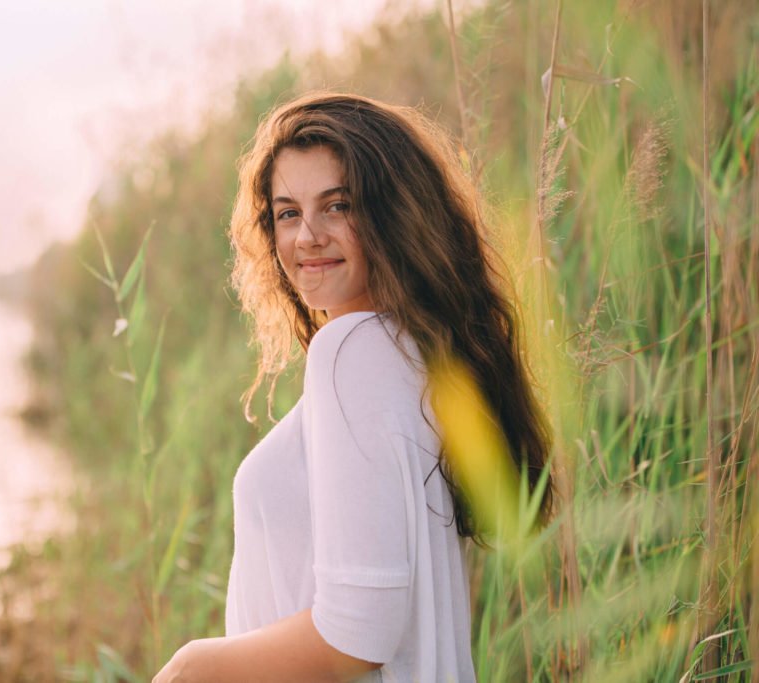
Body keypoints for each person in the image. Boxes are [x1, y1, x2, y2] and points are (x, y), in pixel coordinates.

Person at [153, 92, 553, 682]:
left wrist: (193, 667)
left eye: (336, 206)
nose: (307, 236)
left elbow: (359, 634)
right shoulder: (413, 354)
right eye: (287, 212)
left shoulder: (356, 352)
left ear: (391, 216)